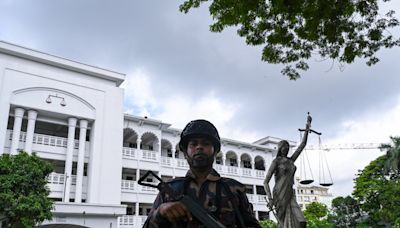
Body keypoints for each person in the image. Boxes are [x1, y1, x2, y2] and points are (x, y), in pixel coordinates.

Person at [143, 119, 261, 228]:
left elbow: (251, 225)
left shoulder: (233, 189)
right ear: (185, 152)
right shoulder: (169, 189)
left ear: (215, 151)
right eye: (193, 144)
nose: (199, 147)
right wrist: (160, 213)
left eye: (205, 143)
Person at [263, 115, 312, 228]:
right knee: (282, 222)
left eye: (288, 147)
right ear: (280, 148)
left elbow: (302, 145)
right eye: (284, 147)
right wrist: (270, 199)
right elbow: (265, 181)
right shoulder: (276, 161)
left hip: (290, 193)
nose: (287, 148)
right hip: (279, 194)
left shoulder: (291, 160)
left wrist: (307, 128)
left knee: (301, 221)